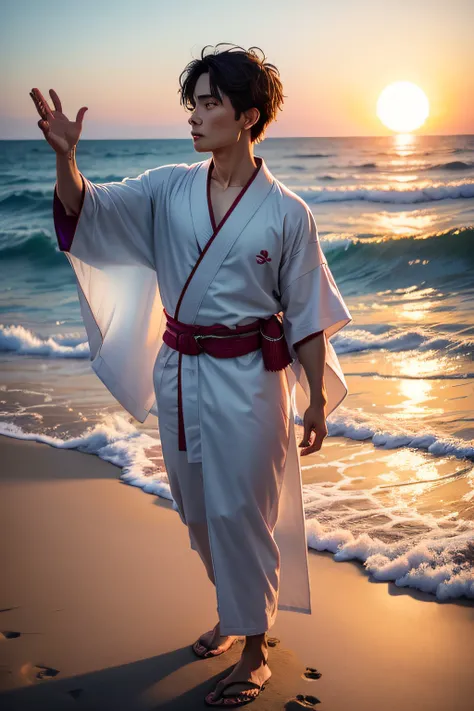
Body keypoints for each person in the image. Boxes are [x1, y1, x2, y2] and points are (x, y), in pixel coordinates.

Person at [30, 43, 352, 707]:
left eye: (210, 103)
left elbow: (309, 314)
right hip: (178, 369)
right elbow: (88, 212)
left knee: (244, 509)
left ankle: (255, 645)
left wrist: (317, 398)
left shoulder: (288, 212)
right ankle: (237, 613)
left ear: (247, 116)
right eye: (194, 103)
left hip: (251, 380)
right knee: (198, 507)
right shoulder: (165, 188)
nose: (195, 116)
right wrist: (67, 160)